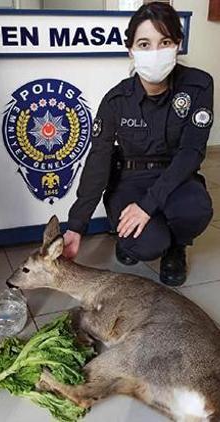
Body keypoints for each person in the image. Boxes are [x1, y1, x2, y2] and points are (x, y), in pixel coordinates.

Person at [64, 2, 214, 286]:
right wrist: (76, 225)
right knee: (146, 243)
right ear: (130, 49)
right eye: (144, 43)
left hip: (176, 176)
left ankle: (176, 248)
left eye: (165, 41)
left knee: (197, 209)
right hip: (129, 179)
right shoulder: (115, 101)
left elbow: (192, 151)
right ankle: (133, 238)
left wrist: (147, 206)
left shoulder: (198, 85)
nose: (155, 52)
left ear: (178, 45)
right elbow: (98, 160)